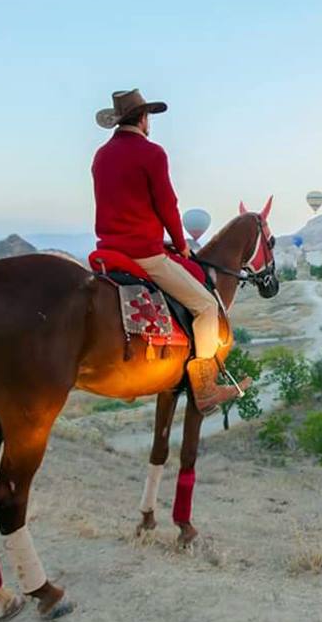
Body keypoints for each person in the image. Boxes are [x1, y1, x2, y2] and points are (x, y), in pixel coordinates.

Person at [91, 89, 245, 414]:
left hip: (108, 250)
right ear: (144, 118)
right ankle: (203, 389)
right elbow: (167, 205)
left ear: (119, 120)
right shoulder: (152, 153)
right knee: (205, 306)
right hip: (143, 255)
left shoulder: (101, 156)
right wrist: (182, 242)